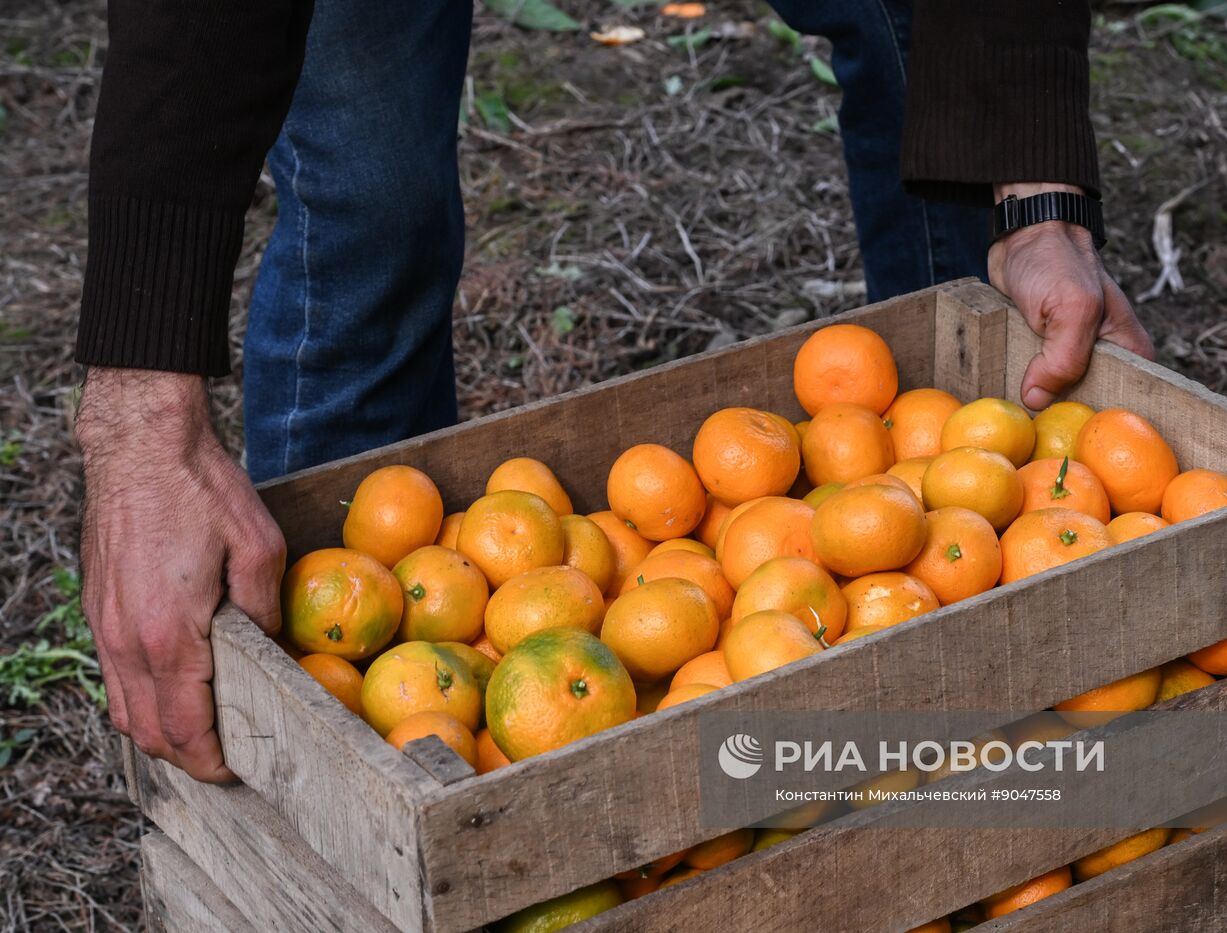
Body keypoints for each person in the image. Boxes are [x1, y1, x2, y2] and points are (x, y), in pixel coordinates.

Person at [74, 0, 1153, 783]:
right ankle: (353, 765)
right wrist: (141, 408)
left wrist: (1036, 199)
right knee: (369, 180)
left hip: (880, 564)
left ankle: (969, 620)